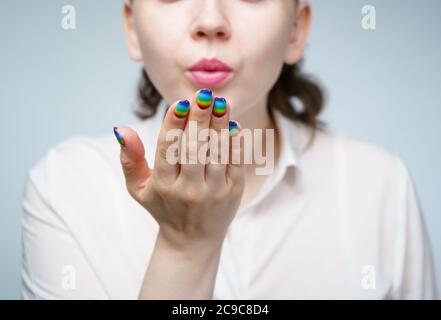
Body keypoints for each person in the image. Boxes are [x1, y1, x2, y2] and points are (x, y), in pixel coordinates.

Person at [21, 0, 437, 299]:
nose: (211, 20)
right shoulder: (65, 186)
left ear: (296, 29)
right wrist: (186, 244)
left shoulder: (379, 184)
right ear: (132, 27)